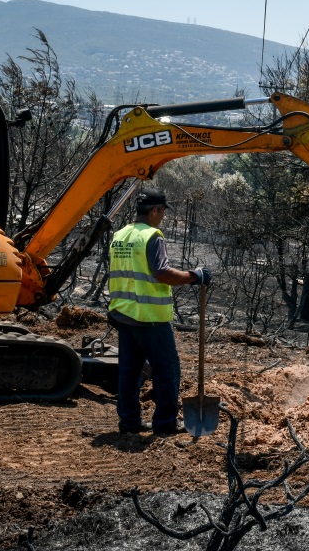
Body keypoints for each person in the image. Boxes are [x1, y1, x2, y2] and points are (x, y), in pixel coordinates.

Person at [107, 187, 209, 436]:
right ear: (154, 210)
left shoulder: (120, 235)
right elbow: (161, 273)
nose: (162, 215)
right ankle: (165, 424)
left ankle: (129, 422)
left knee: (129, 372)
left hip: (123, 314)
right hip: (150, 318)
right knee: (167, 370)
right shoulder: (152, 236)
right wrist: (194, 276)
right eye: (162, 211)